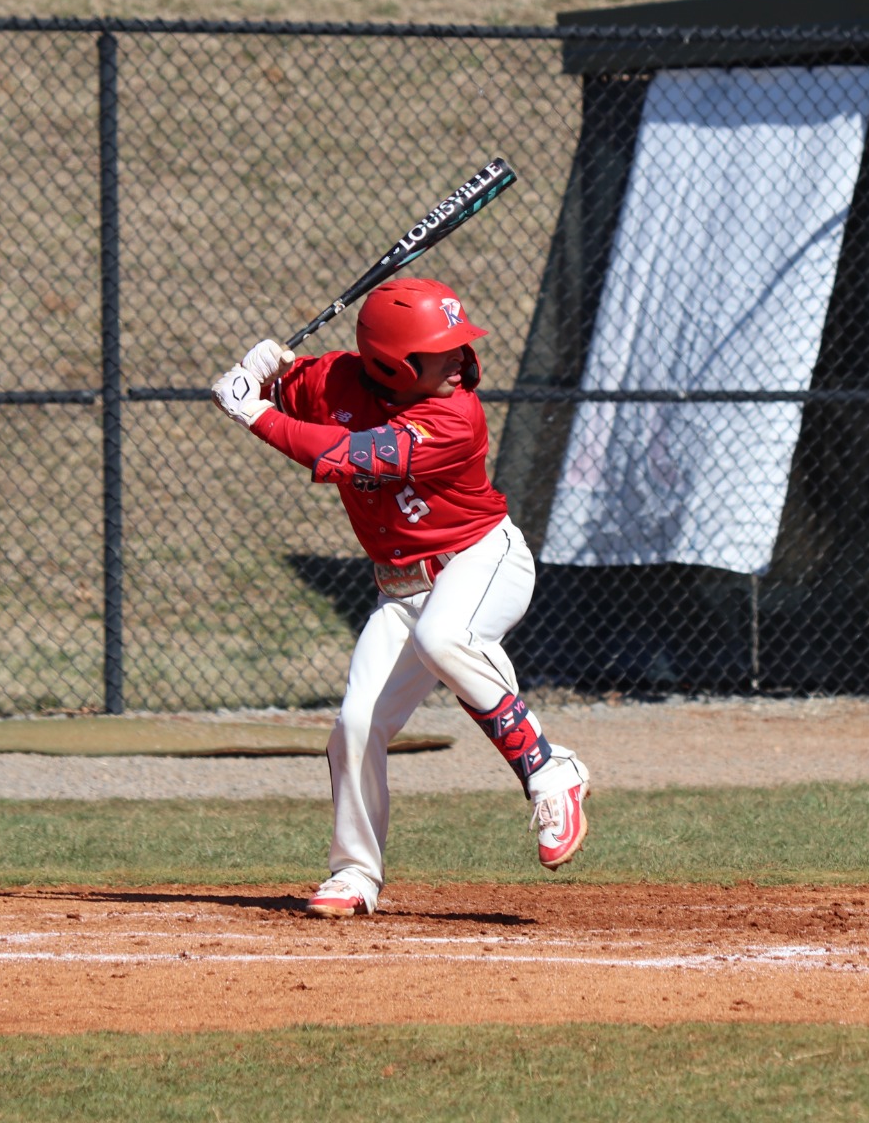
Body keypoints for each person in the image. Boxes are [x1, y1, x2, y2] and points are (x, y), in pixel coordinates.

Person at [211, 278, 590, 917]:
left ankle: (551, 772)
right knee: (357, 726)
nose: (463, 362)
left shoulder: (456, 415)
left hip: (481, 559)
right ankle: (356, 873)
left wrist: (255, 414)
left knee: (445, 637)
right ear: (391, 364)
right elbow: (291, 381)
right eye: (443, 353)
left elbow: (347, 454)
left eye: (460, 347)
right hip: (402, 588)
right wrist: (263, 370)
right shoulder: (334, 381)